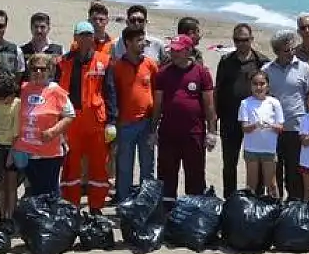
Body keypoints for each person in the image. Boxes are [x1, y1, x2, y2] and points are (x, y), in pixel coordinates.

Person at [57, 21, 118, 212]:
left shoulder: (104, 61)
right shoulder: (63, 62)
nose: (85, 39)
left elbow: (110, 92)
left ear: (93, 38)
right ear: (75, 38)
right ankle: (71, 207)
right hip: (71, 122)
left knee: (99, 166)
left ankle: (96, 208)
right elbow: (55, 93)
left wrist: (112, 121)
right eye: (81, 35)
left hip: (96, 123)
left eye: (89, 35)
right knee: (71, 167)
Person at [153, 34, 217, 204]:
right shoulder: (163, 73)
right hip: (168, 133)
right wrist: (153, 130)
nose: (174, 53)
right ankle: (166, 211)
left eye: (178, 50)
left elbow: (209, 105)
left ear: (188, 51)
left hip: (194, 133)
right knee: (166, 175)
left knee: (195, 175)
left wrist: (212, 132)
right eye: (172, 50)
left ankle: (192, 212)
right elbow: (157, 105)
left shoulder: (202, 73)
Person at [261, 30, 309, 201]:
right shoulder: (266, 70)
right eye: (286, 50)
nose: (291, 52)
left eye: (292, 48)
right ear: (276, 51)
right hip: (272, 130)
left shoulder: (304, 68)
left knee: (295, 173)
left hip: (296, 128)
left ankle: (294, 208)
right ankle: (275, 205)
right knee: (273, 172)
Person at [214, 23, 267, 198]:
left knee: (255, 161)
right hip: (230, 119)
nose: (241, 43)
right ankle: (230, 199)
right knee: (229, 163)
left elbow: (268, 92)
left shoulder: (262, 61)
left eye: (245, 40)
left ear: (251, 39)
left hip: (255, 121)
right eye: (237, 40)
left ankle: (256, 198)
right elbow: (217, 90)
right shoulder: (226, 61)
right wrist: (214, 119)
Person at [108, 25, 159, 202]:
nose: (143, 43)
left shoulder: (150, 64)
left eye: (143, 39)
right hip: (125, 124)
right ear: (127, 42)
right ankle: (124, 201)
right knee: (124, 167)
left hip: (147, 123)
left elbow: (156, 92)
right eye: (139, 40)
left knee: (148, 166)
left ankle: (146, 202)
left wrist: (155, 122)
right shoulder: (117, 66)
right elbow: (112, 94)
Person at [15, 55, 76, 198]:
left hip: (49, 153)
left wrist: (53, 131)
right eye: (34, 69)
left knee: (49, 193)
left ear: (50, 70)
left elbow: (70, 115)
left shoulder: (55, 90)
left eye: (42, 69)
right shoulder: (23, 88)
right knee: (33, 192)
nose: (38, 72)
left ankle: (51, 218)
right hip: (26, 152)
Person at [238, 70, 284, 197]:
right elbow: (244, 128)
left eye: (262, 84)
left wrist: (270, 125)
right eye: (255, 84)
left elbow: (280, 127)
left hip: (269, 149)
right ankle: (250, 211)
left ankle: (275, 209)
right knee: (251, 185)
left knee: (271, 184)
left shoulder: (274, 102)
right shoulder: (245, 103)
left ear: (267, 86)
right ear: (250, 86)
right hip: (251, 149)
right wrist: (255, 125)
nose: (259, 87)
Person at [0, 74, 23, 226]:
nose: (3, 101)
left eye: (5, 97)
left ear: (12, 94)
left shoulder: (17, 104)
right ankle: (2, 218)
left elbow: (17, 132)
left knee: (12, 186)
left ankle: (12, 218)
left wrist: (11, 154)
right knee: (1, 185)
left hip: (12, 147)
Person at [0, 9, 27, 82]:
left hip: (8, 93)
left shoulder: (15, 50)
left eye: (1, 26)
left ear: (6, 26)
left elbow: (19, 76)